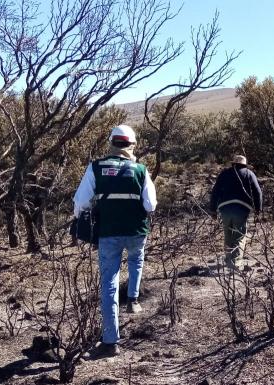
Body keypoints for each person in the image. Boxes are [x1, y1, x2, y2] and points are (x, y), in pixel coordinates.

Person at [73, 124, 157, 359]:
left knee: (109, 284)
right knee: (135, 260)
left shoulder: (96, 167)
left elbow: (80, 201)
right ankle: (133, 299)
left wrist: (82, 216)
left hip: (108, 232)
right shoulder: (141, 169)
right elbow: (150, 204)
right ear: (131, 144)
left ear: (111, 143)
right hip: (136, 230)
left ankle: (110, 342)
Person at [209, 155, 263, 270]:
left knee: (228, 234)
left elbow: (215, 191)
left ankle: (229, 260)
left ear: (233, 163)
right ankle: (236, 264)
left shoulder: (224, 174)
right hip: (241, 209)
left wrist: (213, 210)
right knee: (239, 235)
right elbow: (258, 192)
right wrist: (258, 210)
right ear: (244, 164)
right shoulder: (249, 174)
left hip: (224, 209)